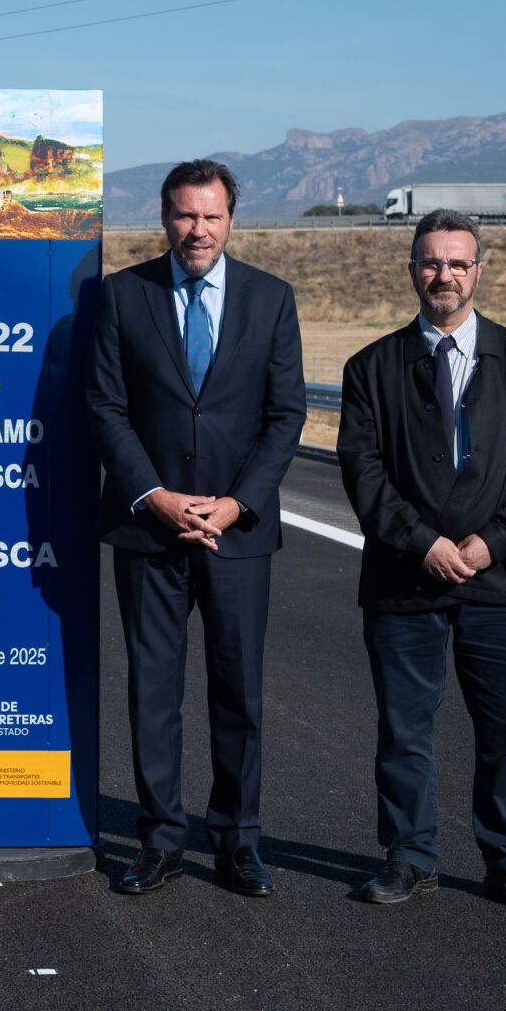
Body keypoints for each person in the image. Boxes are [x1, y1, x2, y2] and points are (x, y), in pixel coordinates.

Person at [336, 208, 506, 912]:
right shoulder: (371, 368)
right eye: (432, 262)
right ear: (412, 269)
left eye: (458, 263)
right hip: (404, 581)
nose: (445, 275)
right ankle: (409, 857)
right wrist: (423, 542)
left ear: (480, 270)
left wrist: (490, 542)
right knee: (404, 728)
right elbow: (363, 471)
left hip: (505, 581)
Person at [86, 159, 306, 896]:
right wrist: (155, 495)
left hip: (238, 532)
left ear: (232, 220)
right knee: (154, 691)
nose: (197, 230)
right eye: (184, 215)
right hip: (150, 530)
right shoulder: (122, 297)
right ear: (164, 218)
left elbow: (286, 417)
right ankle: (160, 840)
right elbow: (106, 408)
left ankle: (238, 840)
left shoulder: (271, 301)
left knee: (237, 691)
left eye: (211, 216)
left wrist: (237, 503)